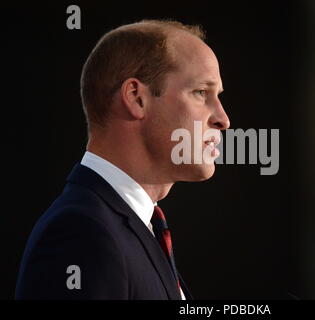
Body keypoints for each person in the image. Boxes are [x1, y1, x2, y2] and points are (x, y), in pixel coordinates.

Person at [15, 19, 230, 299]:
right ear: (136, 97)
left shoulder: (133, 226)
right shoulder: (81, 233)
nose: (223, 119)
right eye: (201, 92)